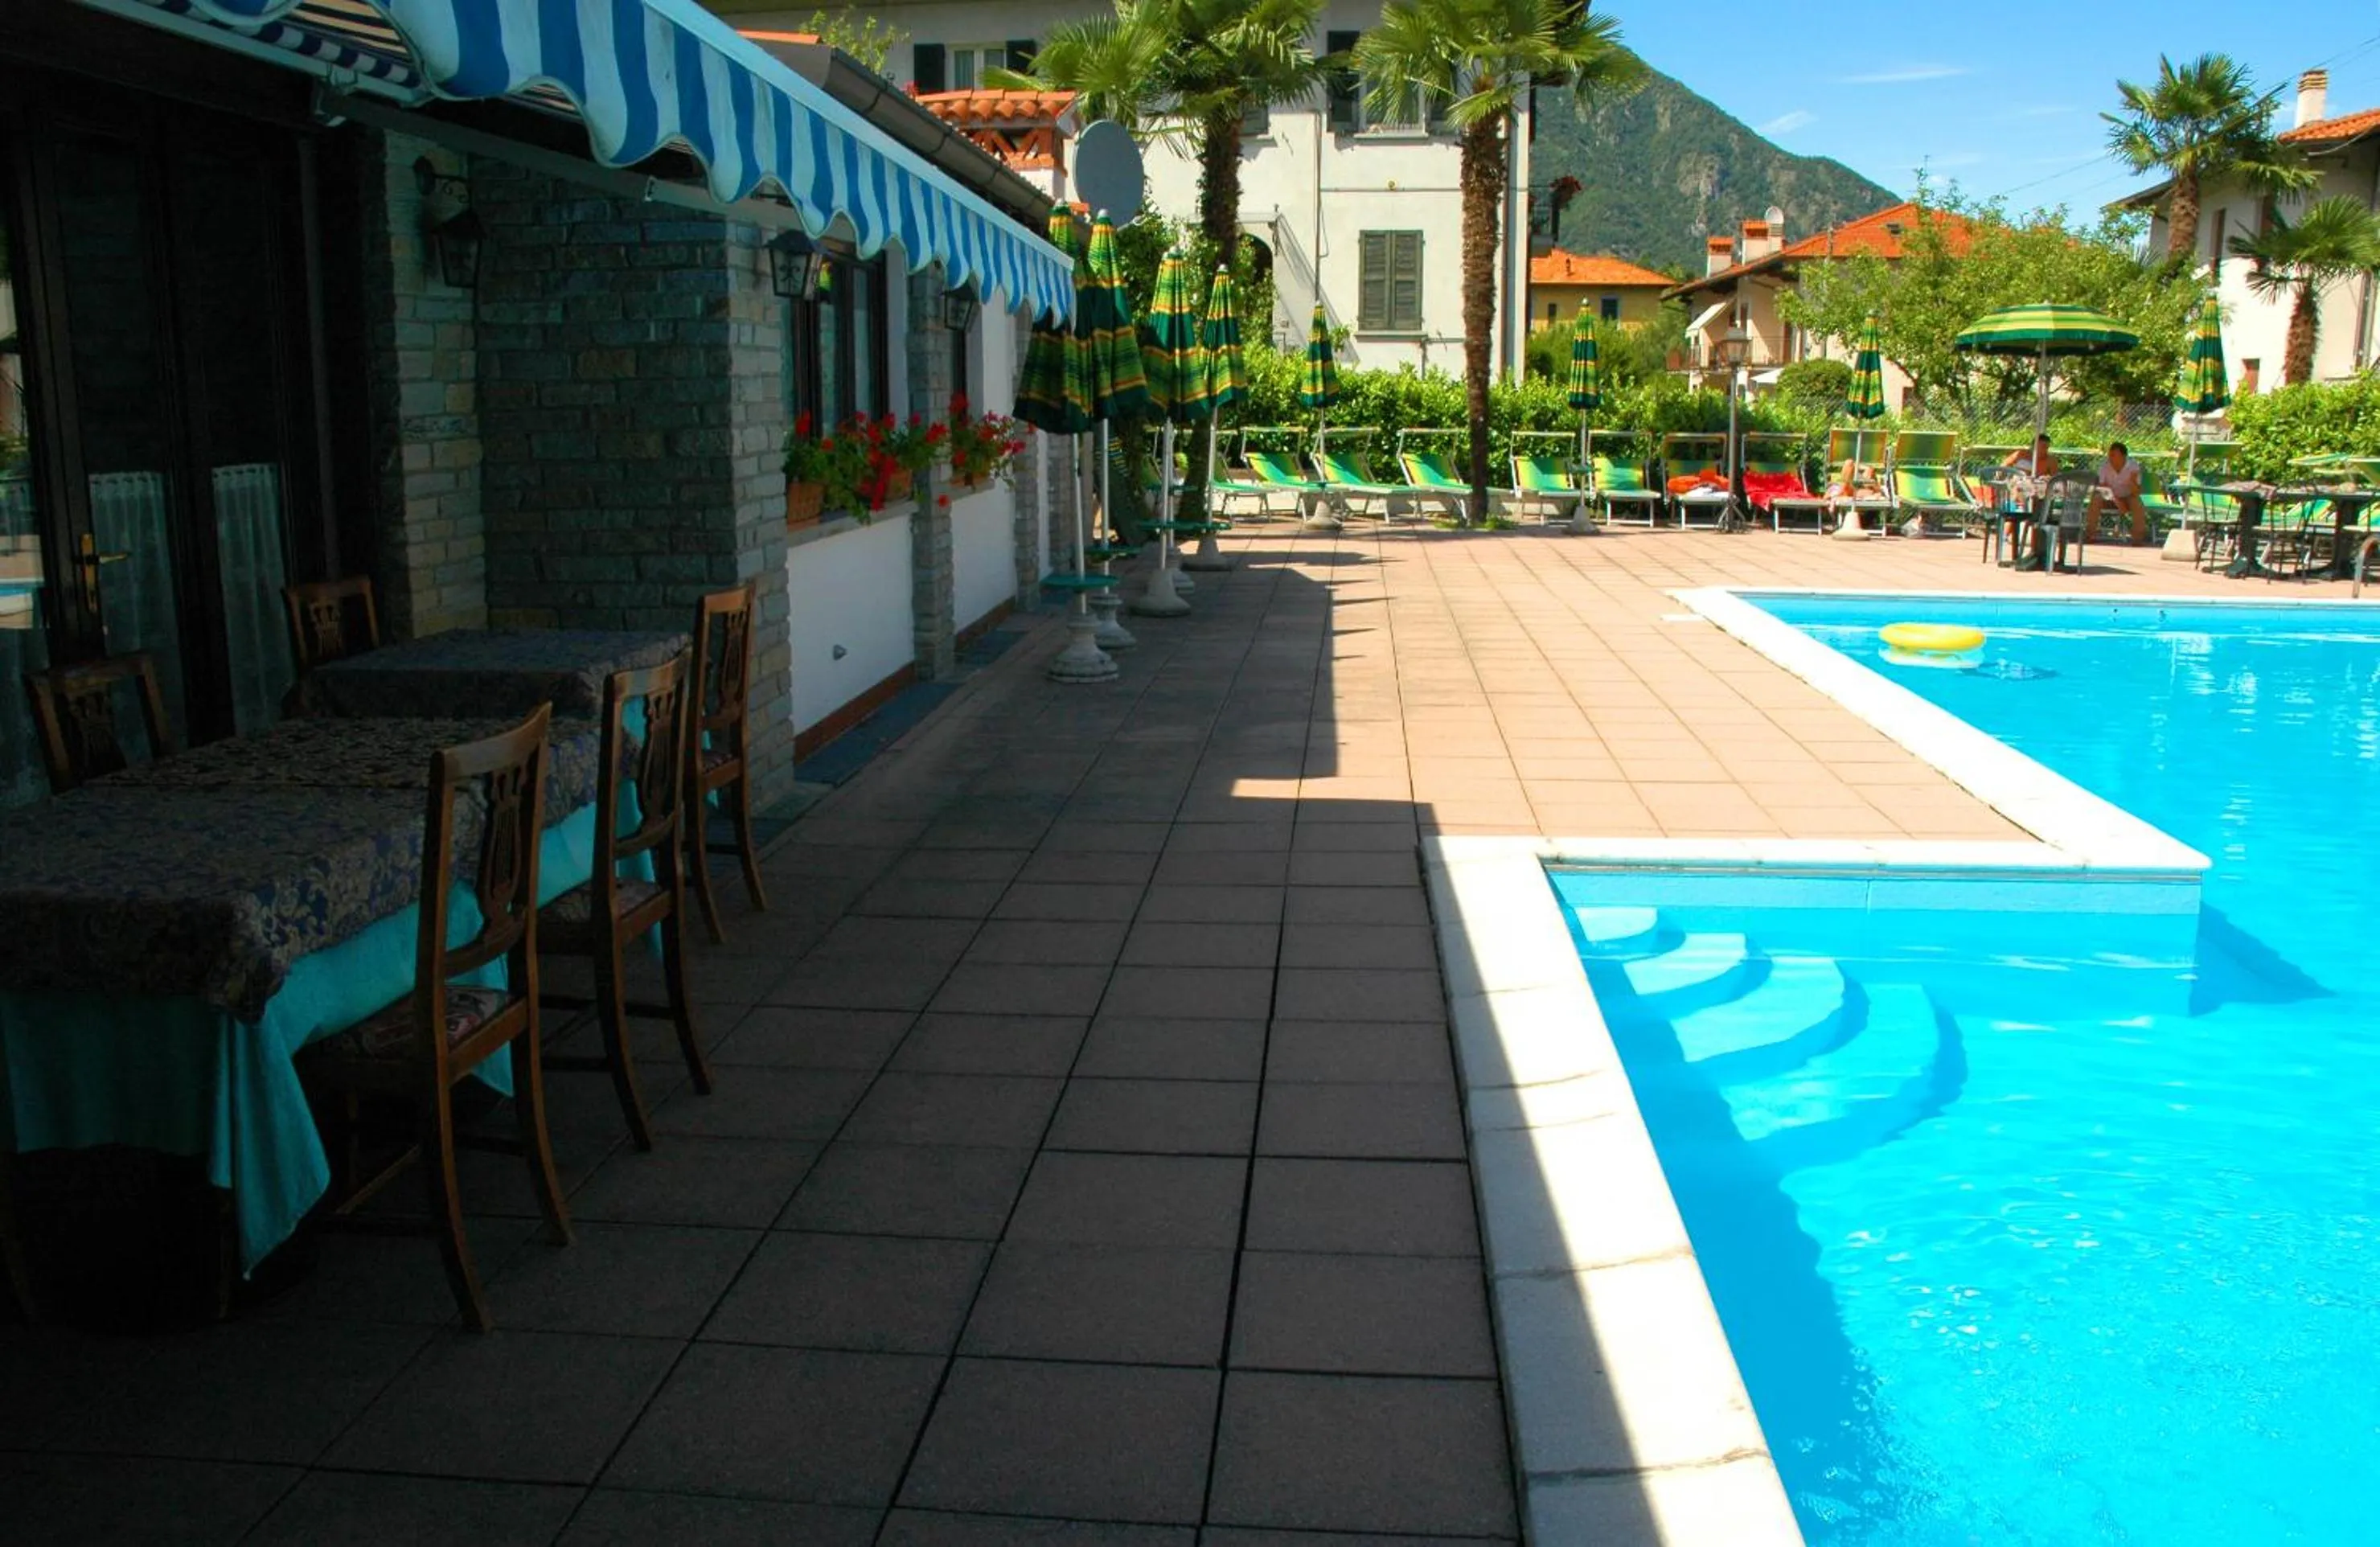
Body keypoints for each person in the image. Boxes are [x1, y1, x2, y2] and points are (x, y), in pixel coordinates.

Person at [2090, 440, 2149, 544]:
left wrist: (2132, 482)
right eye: (2110, 455)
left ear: (2123, 456)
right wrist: (2117, 501)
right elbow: (2103, 488)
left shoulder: (2133, 466)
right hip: (2109, 498)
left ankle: (2138, 538)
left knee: (2137, 502)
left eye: (2113, 455)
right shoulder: (2104, 466)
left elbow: (2136, 492)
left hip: (2128, 497)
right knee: (2096, 499)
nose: (2110, 458)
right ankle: (2090, 535)